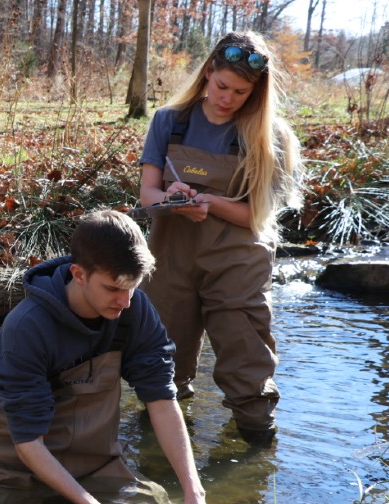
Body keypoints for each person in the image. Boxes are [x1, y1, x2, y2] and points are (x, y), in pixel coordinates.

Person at [0, 210, 219, 504]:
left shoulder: (133, 309)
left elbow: (161, 399)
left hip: (95, 463)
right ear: (78, 274)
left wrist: (194, 492)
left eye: (133, 288)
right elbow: (28, 443)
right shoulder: (28, 328)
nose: (125, 302)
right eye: (113, 288)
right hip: (10, 469)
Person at [138, 32, 303, 446]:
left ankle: (255, 450)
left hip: (238, 256)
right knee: (164, 356)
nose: (228, 99)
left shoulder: (269, 135)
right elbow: (147, 195)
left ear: (257, 91)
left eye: (241, 92)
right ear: (208, 72)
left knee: (244, 354)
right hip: (171, 253)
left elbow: (256, 215)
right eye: (222, 86)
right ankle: (161, 452)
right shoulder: (169, 121)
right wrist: (172, 199)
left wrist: (210, 202)